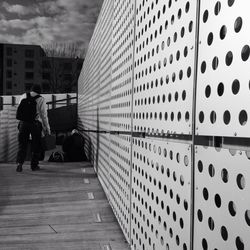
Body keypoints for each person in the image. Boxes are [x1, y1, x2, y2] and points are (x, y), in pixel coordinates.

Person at [16, 84, 51, 172]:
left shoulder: (23, 96)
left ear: (31, 90)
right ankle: (34, 166)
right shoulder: (41, 99)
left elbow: (19, 110)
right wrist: (47, 128)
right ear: (39, 91)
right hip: (35, 124)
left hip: (23, 123)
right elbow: (44, 115)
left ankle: (19, 164)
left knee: (22, 144)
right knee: (36, 145)